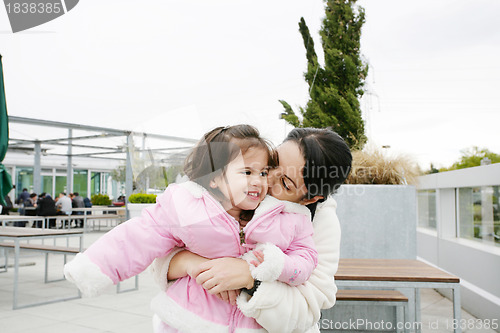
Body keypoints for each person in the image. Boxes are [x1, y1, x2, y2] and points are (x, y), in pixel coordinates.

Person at [64, 125, 318, 332]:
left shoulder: (283, 217)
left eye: (263, 172)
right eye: (247, 171)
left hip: (250, 323)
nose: (260, 181)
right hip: (189, 321)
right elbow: (137, 237)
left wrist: (273, 265)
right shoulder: (187, 208)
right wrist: (93, 268)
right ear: (216, 177)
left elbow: (305, 258)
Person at [153, 127, 352, 332]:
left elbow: (307, 311)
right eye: (273, 163)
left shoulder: (319, 221)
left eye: (284, 182)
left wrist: (250, 280)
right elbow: (159, 260)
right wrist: (194, 263)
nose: (264, 179)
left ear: (311, 198)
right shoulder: (228, 188)